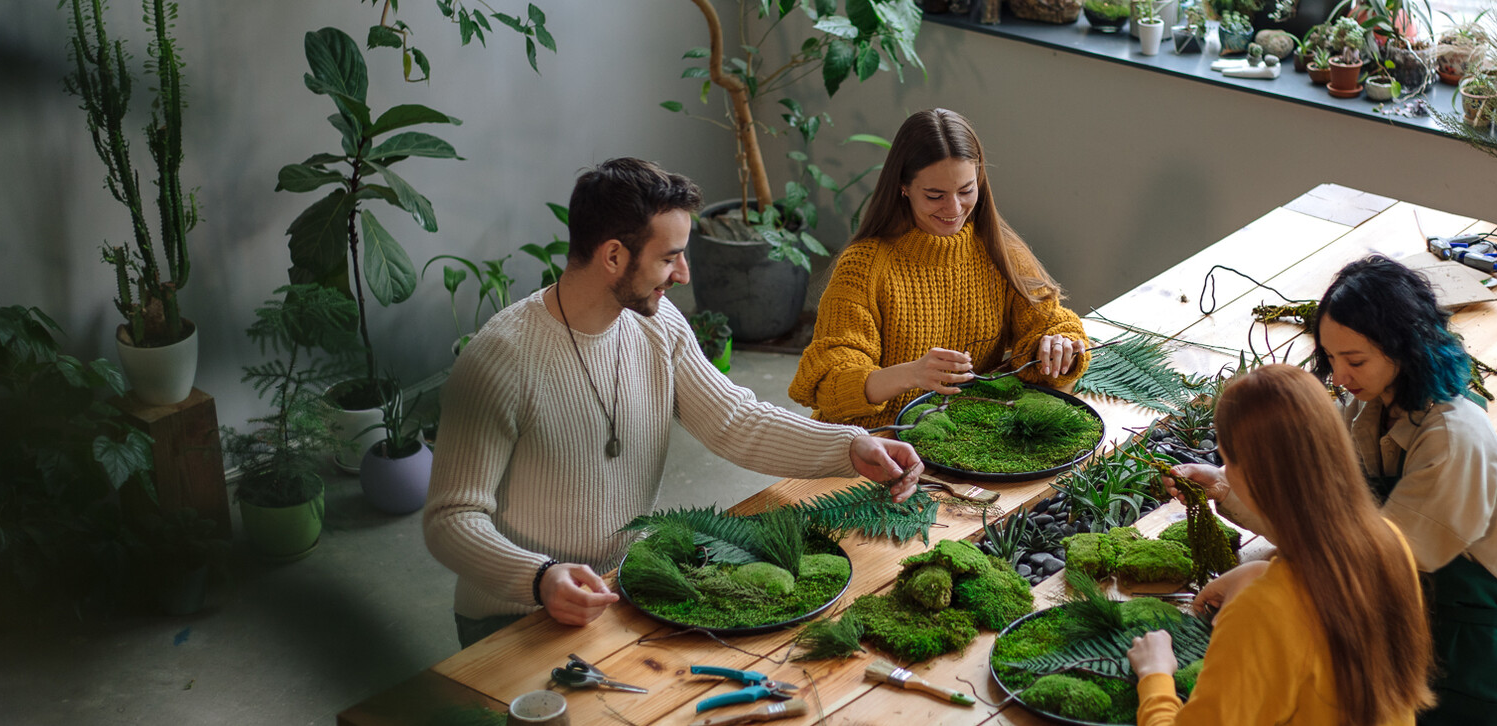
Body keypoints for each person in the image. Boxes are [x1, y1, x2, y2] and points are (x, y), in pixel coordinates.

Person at [424, 158, 924, 648]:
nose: (684, 274)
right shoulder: (499, 358)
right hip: (515, 612)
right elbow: (450, 518)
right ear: (614, 256)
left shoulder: (657, 324)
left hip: (624, 587)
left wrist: (852, 446)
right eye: (670, 257)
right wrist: (539, 578)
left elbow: (735, 420)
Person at [1172, 255, 1497, 725]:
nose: (1340, 376)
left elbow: (1367, 557)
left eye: (1355, 360)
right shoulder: (1367, 410)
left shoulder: (1452, 439)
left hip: (1474, 651)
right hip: (1405, 632)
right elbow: (1335, 522)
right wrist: (1227, 490)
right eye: (1330, 358)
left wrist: (1256, 576)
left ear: (1405, 346)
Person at [1127, 364, 1434, 726]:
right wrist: (1263, 570)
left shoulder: (1261, 611)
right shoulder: (1387, 542)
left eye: (1227, 461)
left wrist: (1155, 676)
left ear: (1254, 476)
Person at [790, 108, 1090, 429]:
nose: (954, 208)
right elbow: (829, 381)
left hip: (961, 435)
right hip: (872, 441)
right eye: (935, 195)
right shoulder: (864, 266)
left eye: (966, 190)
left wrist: (1058, 344)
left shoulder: (999, 250)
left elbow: (1049, 322)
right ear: (903, 187)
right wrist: (912, 374)